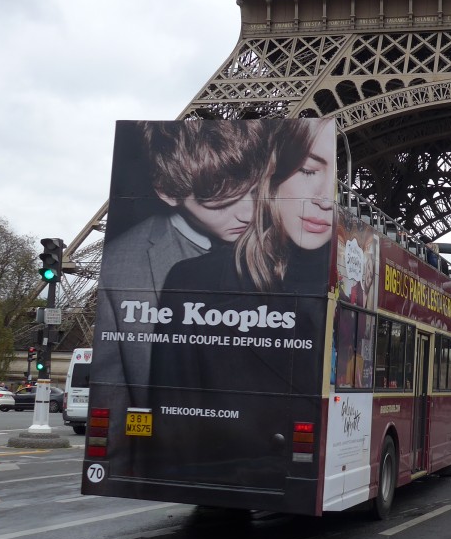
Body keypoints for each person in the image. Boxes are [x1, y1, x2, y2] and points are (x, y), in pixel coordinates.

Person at [145, 119, 337, 483]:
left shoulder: (361, 290)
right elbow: (174, 421)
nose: (326, 199)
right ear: (271, 175)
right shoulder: (193, 280)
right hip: (226, 471)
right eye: (309, 170)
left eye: (341, 185)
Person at [91, 119, 269, 407]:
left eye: (254, 191)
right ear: (168, 192)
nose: (248, 215)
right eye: (222, 202)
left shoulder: (295, 241)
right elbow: (112, 402)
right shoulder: (119, 266)